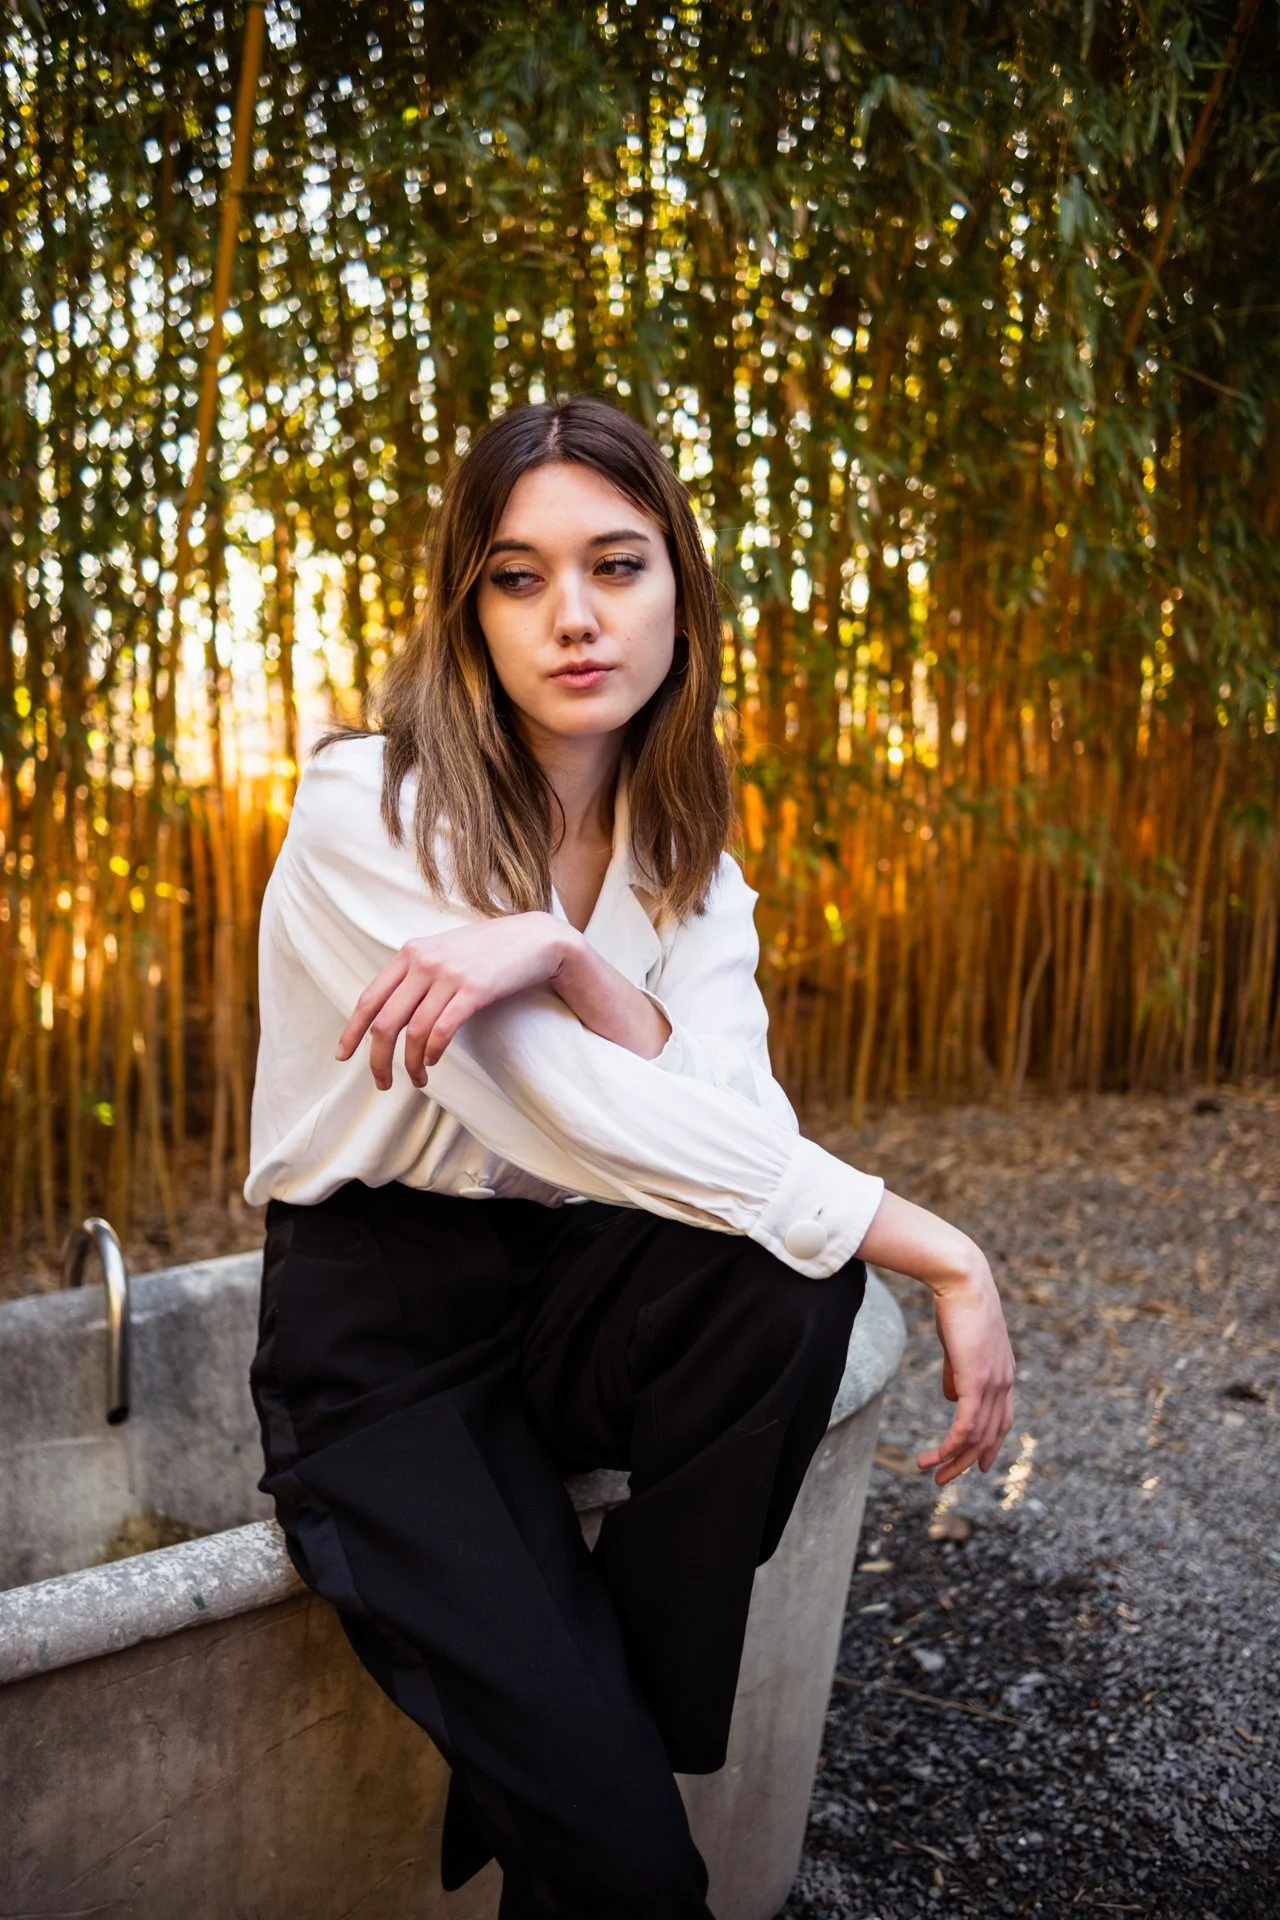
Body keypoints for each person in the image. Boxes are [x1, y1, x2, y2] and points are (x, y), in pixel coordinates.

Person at [244, 393, 1016, 1919]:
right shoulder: (366, 808)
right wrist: (939, 1243)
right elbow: (557, 1110)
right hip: (384, 1342)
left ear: (681, 590)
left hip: (574, 1290)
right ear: (469, 610)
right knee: (636, 1873)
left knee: (787, 1296)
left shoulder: (690, 866)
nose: (573, 617)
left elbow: (739, 1129)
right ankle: (590, 1780)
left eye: (617, 564)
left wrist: (570, 957)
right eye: (518, 577)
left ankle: (578, 1730)